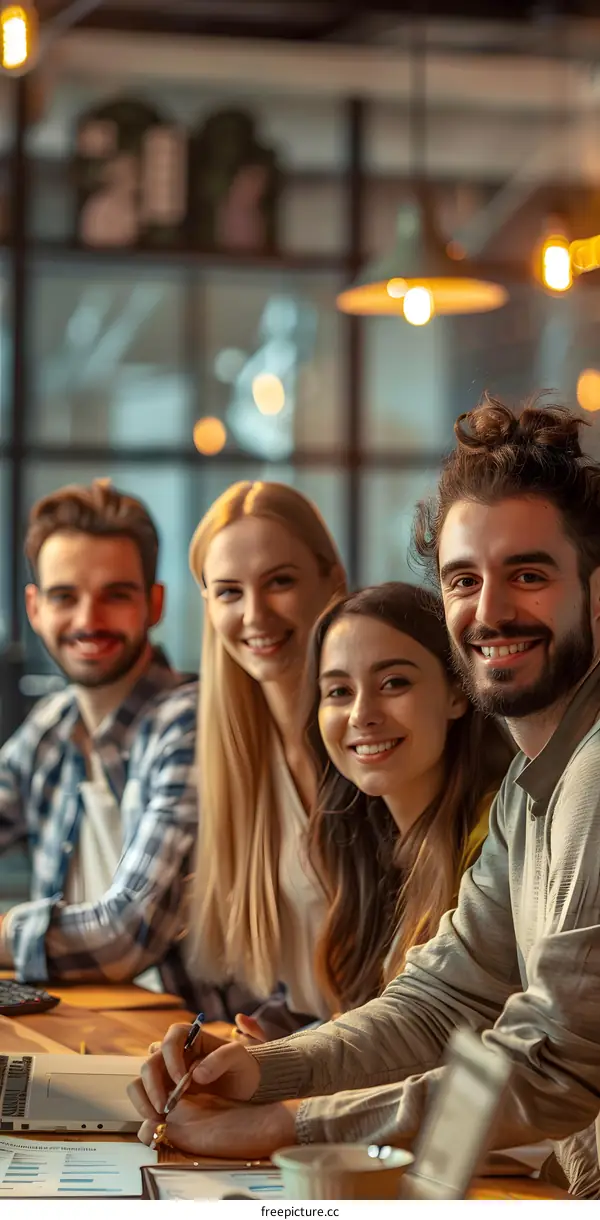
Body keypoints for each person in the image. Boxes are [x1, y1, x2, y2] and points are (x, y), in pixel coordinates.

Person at [130, 397, 600, 1198]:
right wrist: (260, 1072)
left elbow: (554, 1067)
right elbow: (440, 1001)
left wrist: (291, 1126)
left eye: (528, 574)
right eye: (463, 579)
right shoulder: (534, 780)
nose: (488, 612)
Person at [0, 479, 198, 986]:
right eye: (65, 596)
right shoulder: (51, 725)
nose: (89, 620)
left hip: (185, 1042)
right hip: (80, 1023)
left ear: (154, 605)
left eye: (116, 595)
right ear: (35, 608)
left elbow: (124, 935)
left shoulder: (188, 721)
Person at [180, 480, 346, 1038]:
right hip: (316, 1067)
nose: (255, 614)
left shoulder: (377, 740)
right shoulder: (235, 755)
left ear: (332, 580)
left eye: (280, 581)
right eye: (229, 592)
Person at [306, 582, 514, 1013]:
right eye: (339, 691)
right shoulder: (367, 845)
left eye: (393, 682)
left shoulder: (498, 840)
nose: (362, 714)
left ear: (457, 693)